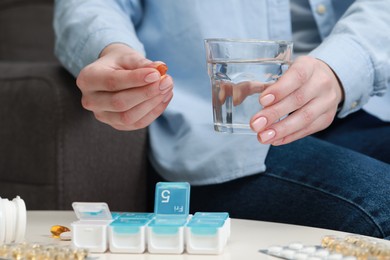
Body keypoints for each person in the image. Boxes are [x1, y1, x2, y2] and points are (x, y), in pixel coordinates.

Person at [53, 0, 390, 239]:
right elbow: (90, 4)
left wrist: (342, 66)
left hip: (367, 106)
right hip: (227, 139)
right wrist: (111, 50)